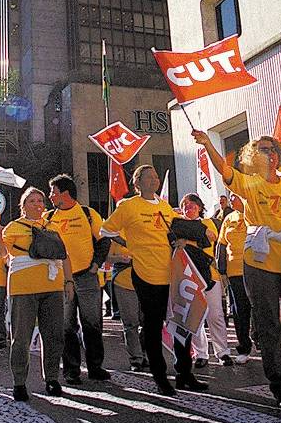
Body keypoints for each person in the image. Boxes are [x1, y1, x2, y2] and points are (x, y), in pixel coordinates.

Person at [194, 131, 281, 413]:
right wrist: (209, 144)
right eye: (261, 150)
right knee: (268, 324)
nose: (268, 155)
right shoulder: (249, 184)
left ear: (279, 156)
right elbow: (225, 171)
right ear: (252, 156)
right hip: (259, 262)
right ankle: (280, 386)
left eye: (272, 150)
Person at [100, 165, 208, 397]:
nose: (154, 180)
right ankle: (160, 377)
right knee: (152, 326)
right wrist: (130, 244)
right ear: (137, 183)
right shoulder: (128, 206)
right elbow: (105, 230)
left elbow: (175, 232)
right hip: (145, 274)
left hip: (172, 273)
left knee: (181, 323)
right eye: (148, 177)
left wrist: (180, 242)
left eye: (156, 176)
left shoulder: (165, 206)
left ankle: (184, 373)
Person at [0, 187, 74, 401]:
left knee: (54, 336)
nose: (38, 204)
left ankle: (51, 379)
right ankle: (19, 383)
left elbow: (64, 255)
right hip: (23, 289)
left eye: (40, 200)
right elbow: (1, 254)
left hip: (52, 287)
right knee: (21, 337)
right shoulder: (13, 227)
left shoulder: (52, 226)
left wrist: (69, 281)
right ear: (23, 206)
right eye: (32, 201)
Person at [48, 174, 111, 384]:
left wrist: (96, 264)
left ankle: (96, 367)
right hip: (62, 280)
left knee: (92, 323)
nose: (50, 196)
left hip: (87, 277)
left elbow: (104, 240)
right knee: (66, 326)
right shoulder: (48, 218)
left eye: (53, 192)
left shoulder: (88, 214)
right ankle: (71, 371)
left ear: (65, 193)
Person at [183, 193, 233, 368]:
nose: (188, 209)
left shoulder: (207, 223)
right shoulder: (179, 224)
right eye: (185, 206)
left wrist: (186, 241)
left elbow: (207, 239)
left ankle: (222, 352)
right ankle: (201, 353)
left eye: (192, 206)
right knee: (195, 316)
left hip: (210, 275)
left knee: (216, 315)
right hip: (189, 275)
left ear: (199, 207)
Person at [217, 194, 253, 364]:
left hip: (255, 269)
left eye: (235, 197)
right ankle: (244, 347)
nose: (232, 200)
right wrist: (221, 269)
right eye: (230, 197)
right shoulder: (228, 218)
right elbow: (221, 244)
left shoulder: (254, 213)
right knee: (239, 310)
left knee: (260, 308)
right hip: (234, 271)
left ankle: (262, 341)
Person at [107, 241, 146, 372]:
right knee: (131, 323)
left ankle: (143, 352)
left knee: (148, 322)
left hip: (147, 281)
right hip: (123, 283)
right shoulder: (116, 235)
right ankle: (136, 358)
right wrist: (120, 258)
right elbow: (107, 257)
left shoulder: (145, 229)